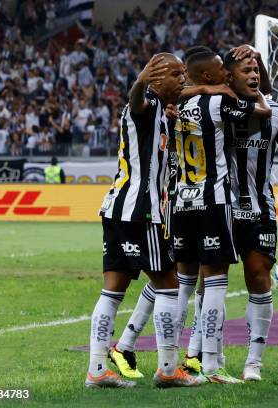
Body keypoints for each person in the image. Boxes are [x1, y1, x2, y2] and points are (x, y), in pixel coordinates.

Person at [85, 53, 201, 389]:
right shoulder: (145, 102)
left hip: (119, 211)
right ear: (156, 78)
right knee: (168, 285)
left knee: (112, 290)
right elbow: (135, 101)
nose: (183, 80)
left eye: (185, 75)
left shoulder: (161, 111)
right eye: (177, 75)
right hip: (143, 213)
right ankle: (167, 368)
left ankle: (97, 369)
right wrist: (140, 81)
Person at [171, 48, 271, 384]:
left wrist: (198, 88)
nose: (229, 77)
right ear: (212, 76)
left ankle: (169, 362)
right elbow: (262, 109)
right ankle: (211, 365)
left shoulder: (177, 103)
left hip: (182, 202)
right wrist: (225, 91)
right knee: (213, 283)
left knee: (179, 286)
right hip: (215, 201)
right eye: (224, 72)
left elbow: (169, 92)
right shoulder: (219, 103)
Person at [223, 47, 278, 381]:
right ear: (229, 77)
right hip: (221, 207)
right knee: (209, 281)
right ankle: (204, 356)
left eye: (257, 69)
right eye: (247, 69)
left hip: (260, 207)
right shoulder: (218, 108)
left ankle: (253, 361)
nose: (254, 73)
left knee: (259, 277)